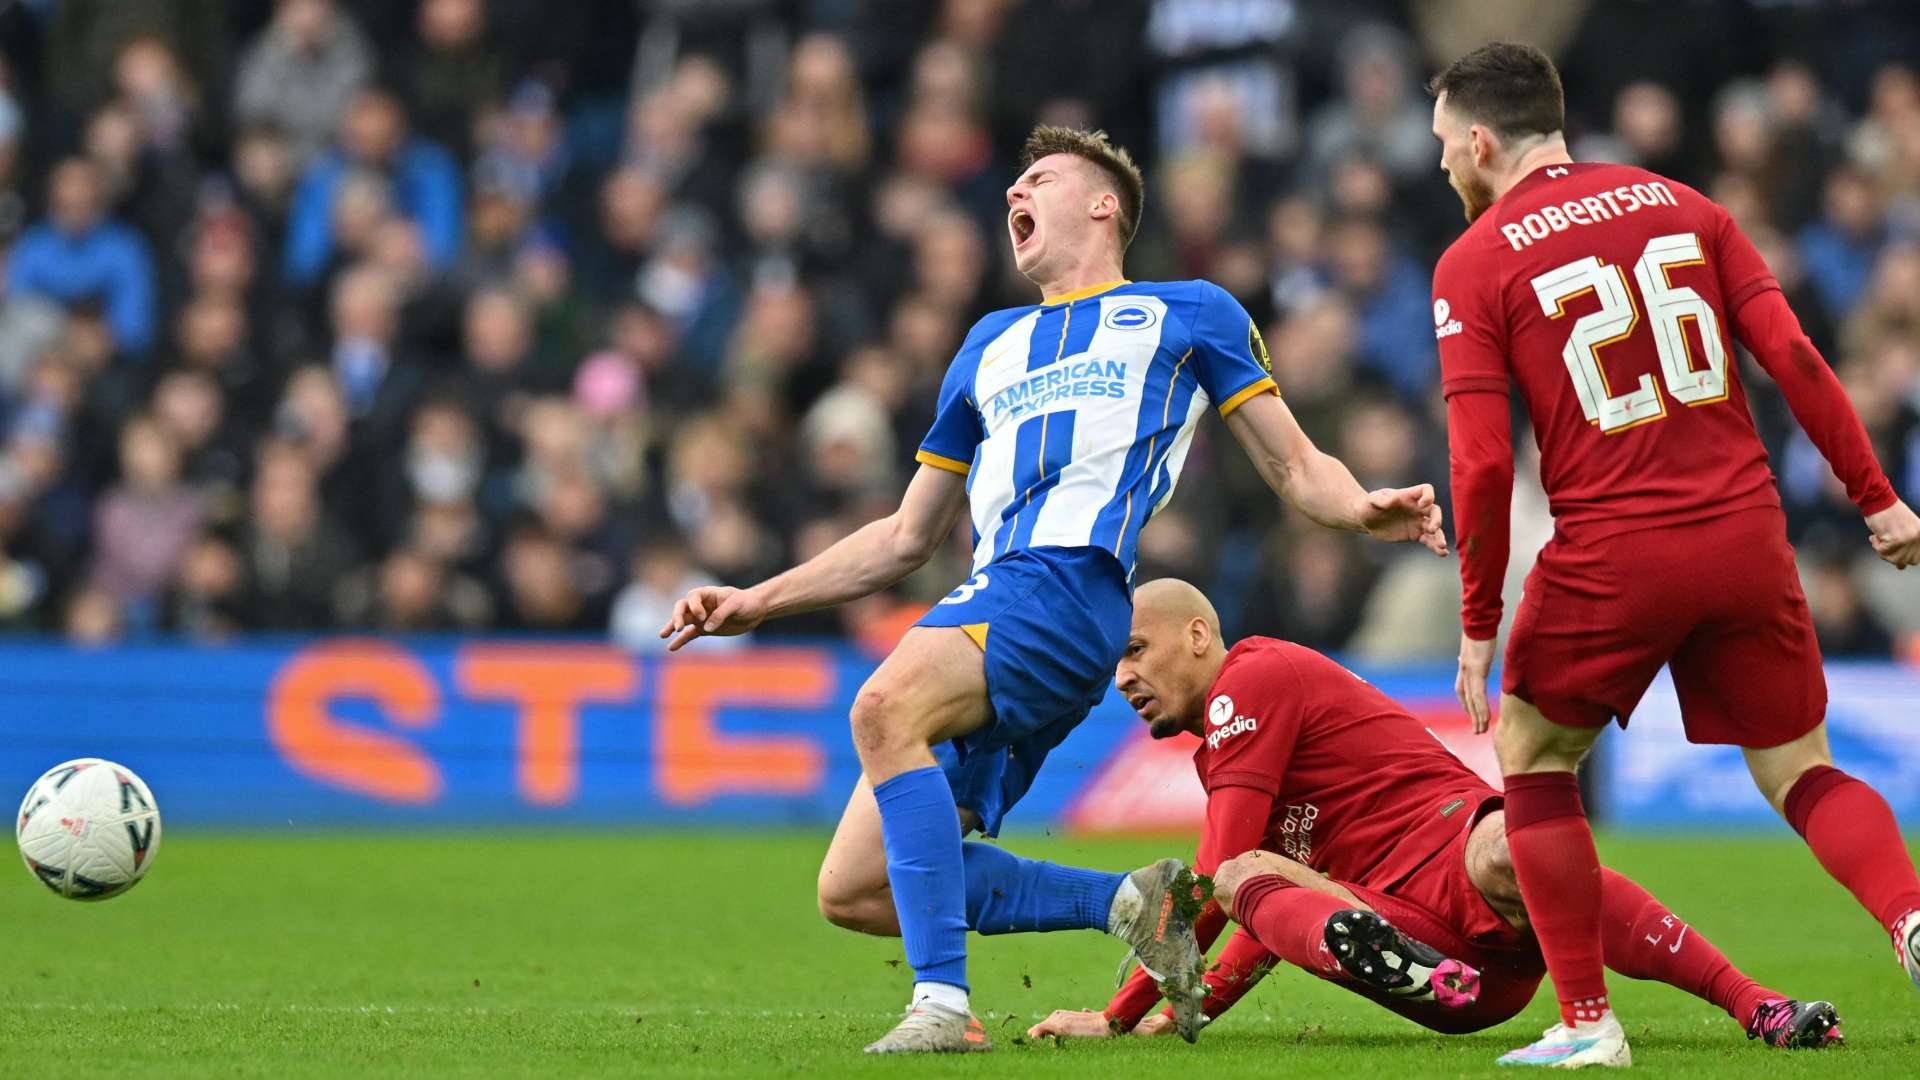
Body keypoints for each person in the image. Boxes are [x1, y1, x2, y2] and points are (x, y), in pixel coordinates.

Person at [660, 125, 1448, 1053]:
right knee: (858, 889)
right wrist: (758, 599)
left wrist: (1363, 509)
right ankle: (1128, 900)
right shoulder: (988, 344)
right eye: (1013, 185)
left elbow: (1293, 463)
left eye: (1038, 179)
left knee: (881, 709)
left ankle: (944, 1009)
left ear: (1104, 203)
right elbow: (907, 535)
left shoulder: (1187, 313)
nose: (1013, 196)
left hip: (1065, 584)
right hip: (1003, 601)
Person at [1428, 42, 1920, 1068]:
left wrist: (1479, 620)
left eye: (1443, 147)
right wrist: (1878, 499)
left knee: (1531, 755)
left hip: (1614, 547)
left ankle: (1585, 1023)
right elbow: (1792, 357)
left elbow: (1479, 464)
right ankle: (1912, 918)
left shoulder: (1475, 261)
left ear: (1480, 142)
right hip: (1744, 533)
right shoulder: (1685, 203)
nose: (1440, 167)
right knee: (1797, 768)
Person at [1025, 579, 1841, 1051]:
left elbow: (1212, 879)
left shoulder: (1254, 677)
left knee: (1504, 850)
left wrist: (1118, 1014)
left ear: (1199, 635)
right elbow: (1263, 921)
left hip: (1454, 852)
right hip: (1426, 947)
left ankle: (1757, 1004)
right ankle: (1425, 971)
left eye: (1134, 651)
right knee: (1257, 880)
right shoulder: (1221, 756)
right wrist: (1178, 1017)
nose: (1123, 679)